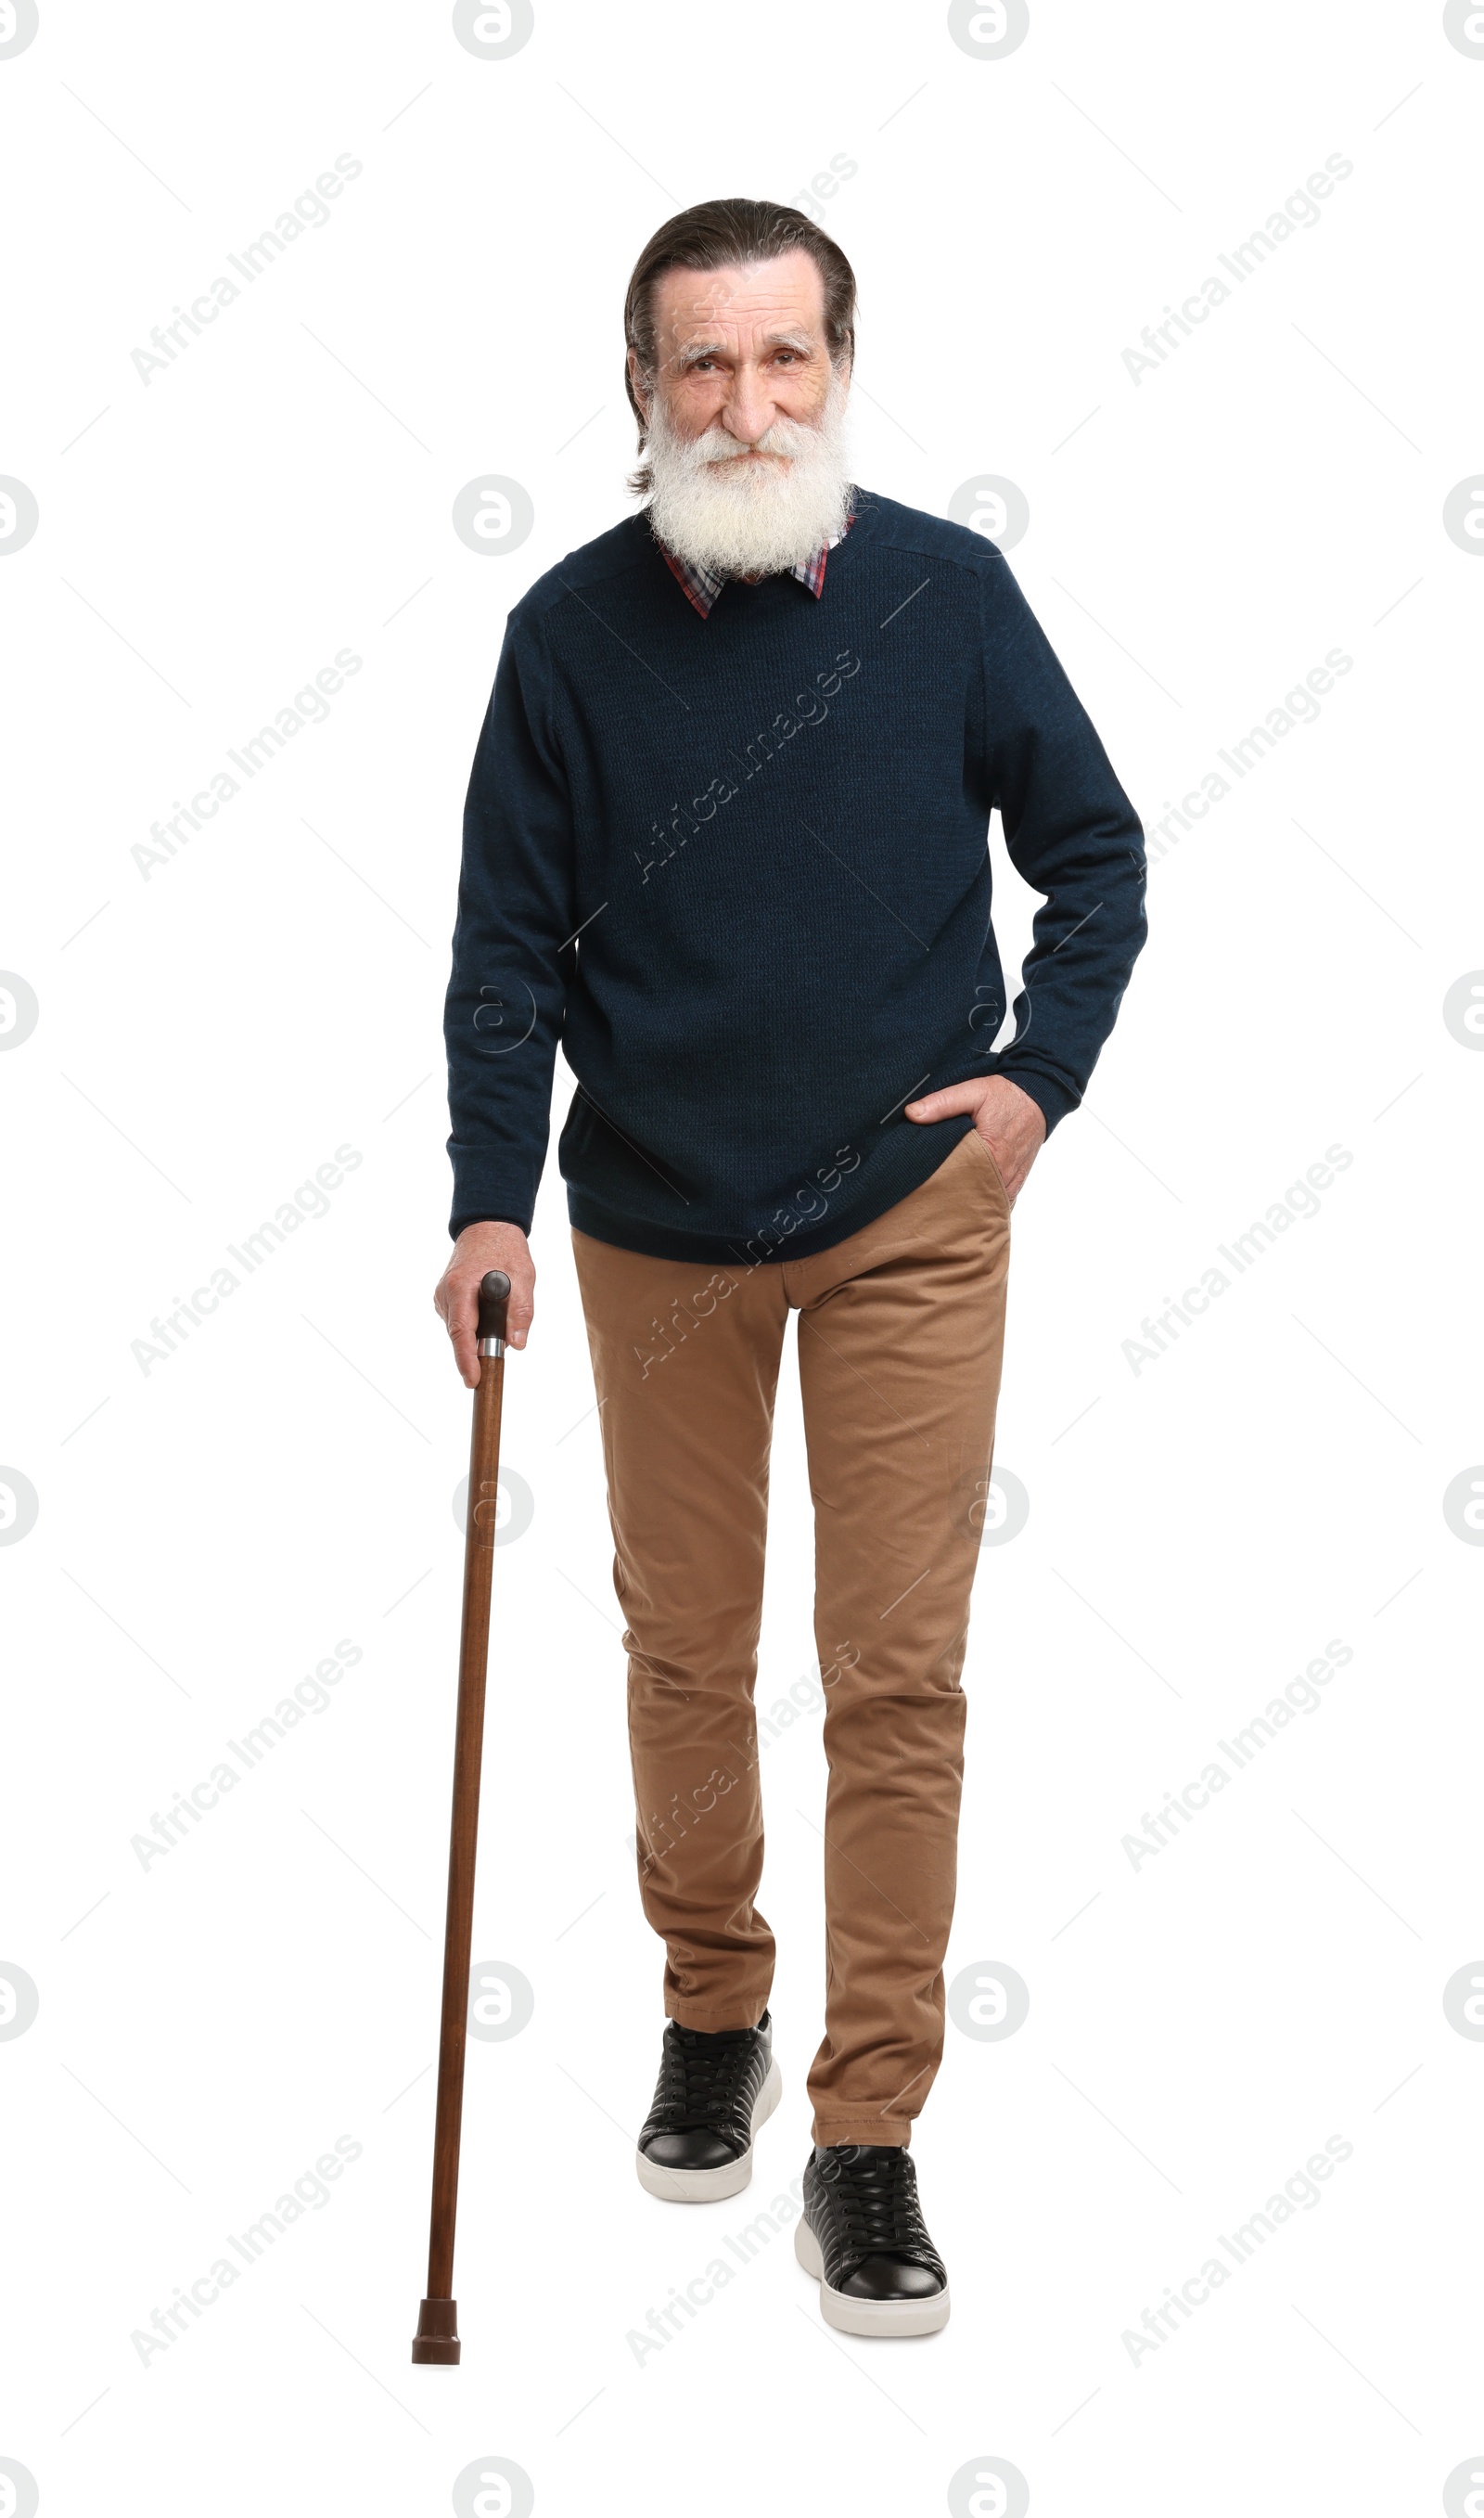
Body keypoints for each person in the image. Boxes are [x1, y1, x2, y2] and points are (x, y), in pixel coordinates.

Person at [435, 198, 1145, 2337]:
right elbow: (502, 951)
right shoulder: (566, 635)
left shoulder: (944, 589)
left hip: (912, 1204)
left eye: (783, 359)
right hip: (652, 1218)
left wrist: (1034, 1082)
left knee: (892, 1675)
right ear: (639, 387)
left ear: (838, 364)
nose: (744, 405)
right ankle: (710, 2004)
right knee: (682, 1649)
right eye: (699, 366)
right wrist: (487, 1197)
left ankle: (865, 2131)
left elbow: (1091, 848)